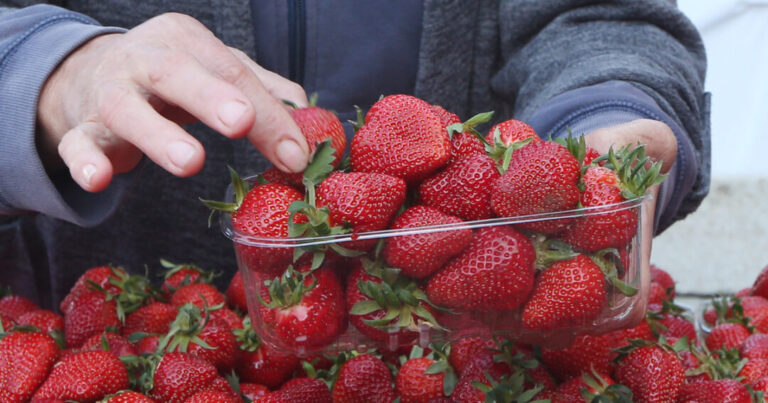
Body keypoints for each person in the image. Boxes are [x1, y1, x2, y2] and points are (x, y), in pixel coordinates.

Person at [0, 1, 709, 310]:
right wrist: (49, 72)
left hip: (475, 359)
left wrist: (599, 123)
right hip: (111, 340)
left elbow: (597, 16)